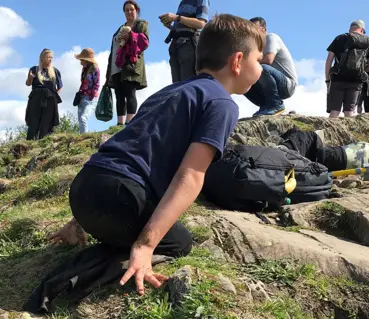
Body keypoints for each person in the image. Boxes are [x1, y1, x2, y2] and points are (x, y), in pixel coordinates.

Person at [47, 14, 264, 296]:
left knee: (133, 208)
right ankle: (114, 265)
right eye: (258, 60)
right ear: (237, 61)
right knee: (179, 241)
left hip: (83, 188)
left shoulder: (171, 91)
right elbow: (191, 176)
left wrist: (78, 219)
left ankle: (85, 229)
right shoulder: (223, 103)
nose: (261, 66)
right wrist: (145, 246)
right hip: (120, 200)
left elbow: (127, 150)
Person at [105, 0, 149, 126]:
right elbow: (114, 48)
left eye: (132, 9)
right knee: (119, 94)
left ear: (136, 11)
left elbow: (144, 43)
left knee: (130, 92)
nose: (129, 12)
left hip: (130, 64)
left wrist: (130, 36)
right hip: (116, 65)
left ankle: (130, 122)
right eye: (126, 10)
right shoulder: (119, 27)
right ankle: (120, 124)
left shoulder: (141, 24)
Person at [243, 17, 297, 116]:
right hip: (269, 81)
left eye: (255, 28)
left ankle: (276, 105)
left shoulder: (270, 38)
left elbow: (268, 60)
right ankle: (265, 105)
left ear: (264, 30)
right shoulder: (254, 46)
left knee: (261, 68)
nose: (252, 32)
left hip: (287, 84)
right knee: (240, 76)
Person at [325, 20, 369, 118]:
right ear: (362, 30)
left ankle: (328, 132)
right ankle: (348, 133)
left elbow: (328, 61)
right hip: (356, 81)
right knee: (349, 112)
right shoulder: (368, 41)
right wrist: (360, 71)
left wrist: (327, 79)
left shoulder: (340, 38)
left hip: (337, 79)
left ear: (350, 29)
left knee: (334, 111)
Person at [160, 0, 210, 83]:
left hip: (189, 47)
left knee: (188, 85)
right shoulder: (183, 2)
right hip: (176, 47)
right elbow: (182, 29)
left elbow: (201, 24)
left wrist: (177, 18)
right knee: (177, 86)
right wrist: (169, 26)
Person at [25, 48, 63, 140]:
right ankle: (30, 142)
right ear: (42, 58)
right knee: (34, 121)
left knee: (46, 122)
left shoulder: (55, 71)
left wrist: (54, 96)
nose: (50, 59)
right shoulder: (34, 69)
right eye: (48, 57)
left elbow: (60, 85)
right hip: (36, 97)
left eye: (51, 58)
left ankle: (43, 141)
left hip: (50, 98)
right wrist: (30, 78)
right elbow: (28, 84)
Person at [74, 48, 100, 133]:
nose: (80, 62)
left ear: (86, 60)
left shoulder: (95, 69)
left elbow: (97, 83)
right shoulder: (84, 69)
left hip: (91, 98)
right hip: (82, 96)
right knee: (80, 120)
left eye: (81, 60)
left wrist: (91, 95)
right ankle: (82, 136)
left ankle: (83, 137)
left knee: (83, 118)